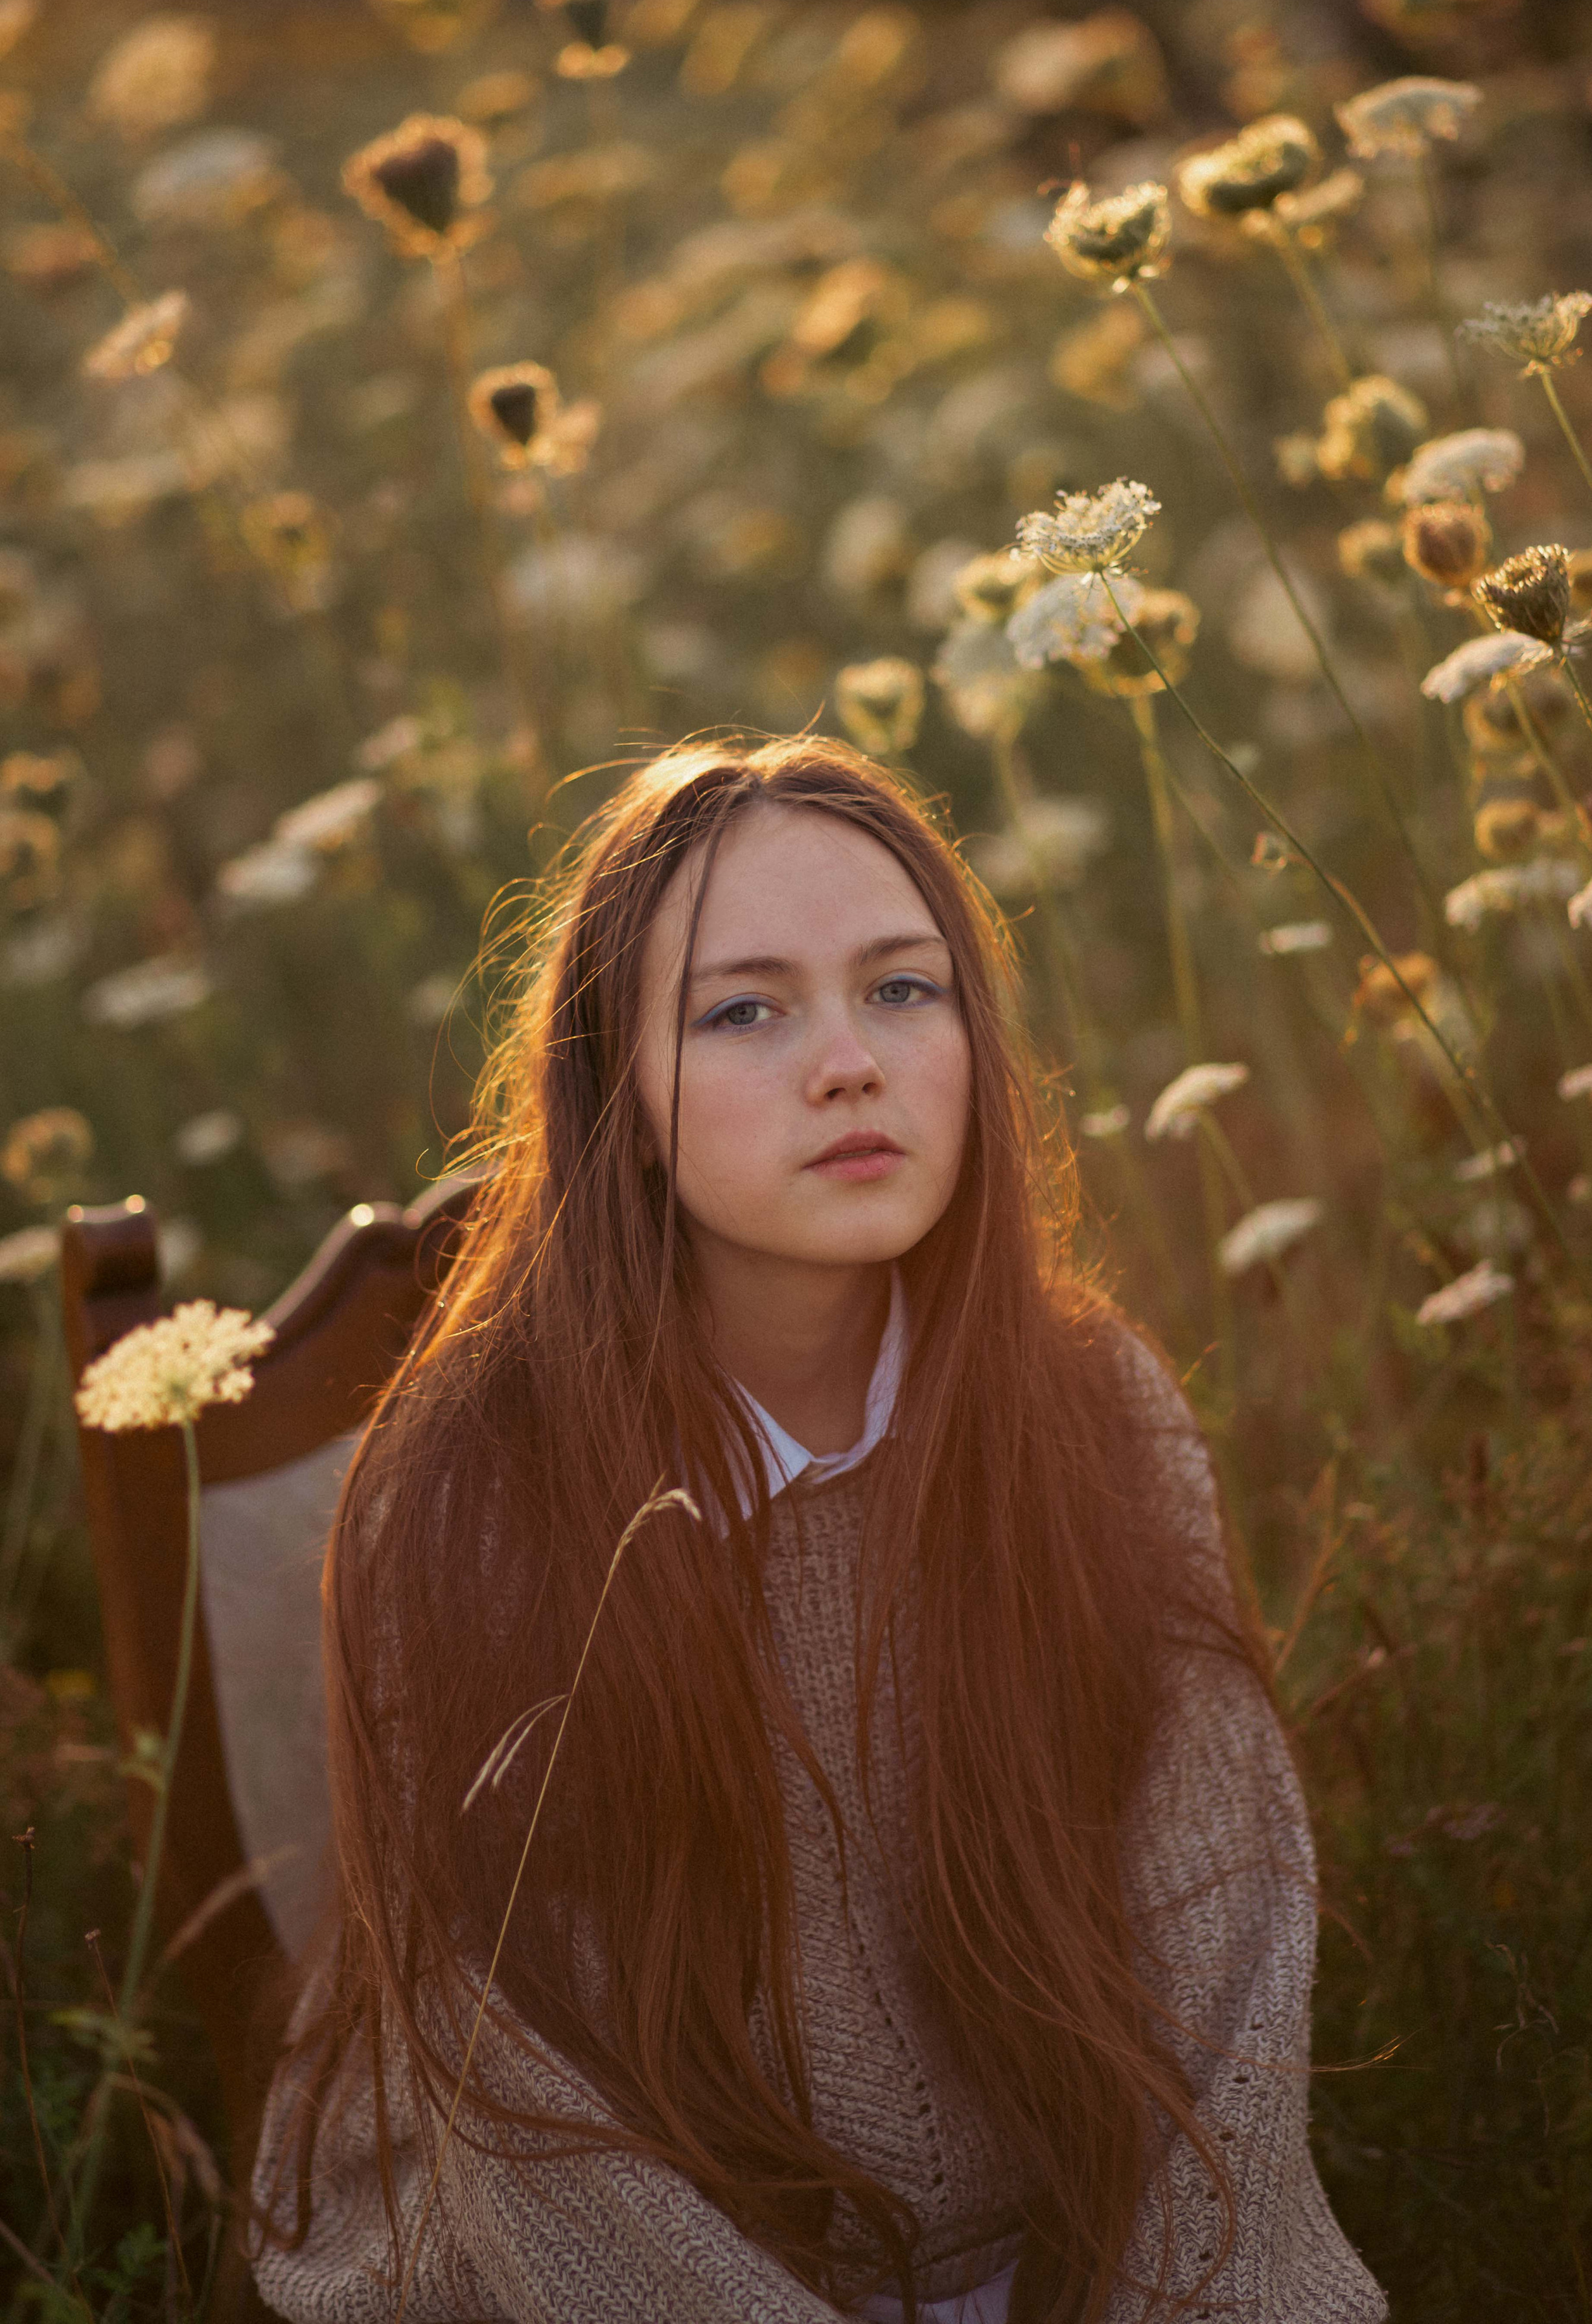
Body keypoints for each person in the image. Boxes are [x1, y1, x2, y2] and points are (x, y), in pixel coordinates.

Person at [249, 734, 1386, 2324]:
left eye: (901, 990)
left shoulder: (1092, 1410)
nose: (846, 1061)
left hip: (1038, 2268)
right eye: (744, 1010)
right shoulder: (471, 1502)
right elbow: (512, 2102)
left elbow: (1229, 1950)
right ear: (622, 1098)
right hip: (580, 2276)